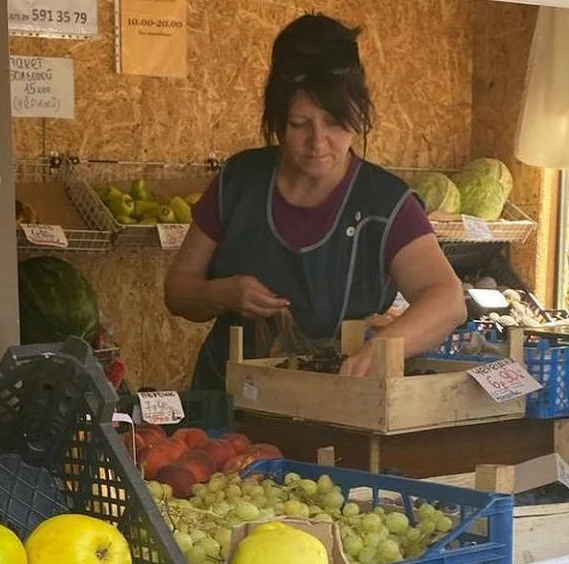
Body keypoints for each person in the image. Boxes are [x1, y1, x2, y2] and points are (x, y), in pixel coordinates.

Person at [164, 12, 467, 390]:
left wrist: (383, 348)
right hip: (228, 408)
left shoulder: (385, 204)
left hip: (340, 401)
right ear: (276, 118)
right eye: (298, 124)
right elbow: (178, 290)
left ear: (359, 115)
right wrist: (222, 293)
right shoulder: (239, 182)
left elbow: (448, 298)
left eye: (336, 123)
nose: (318, 142)